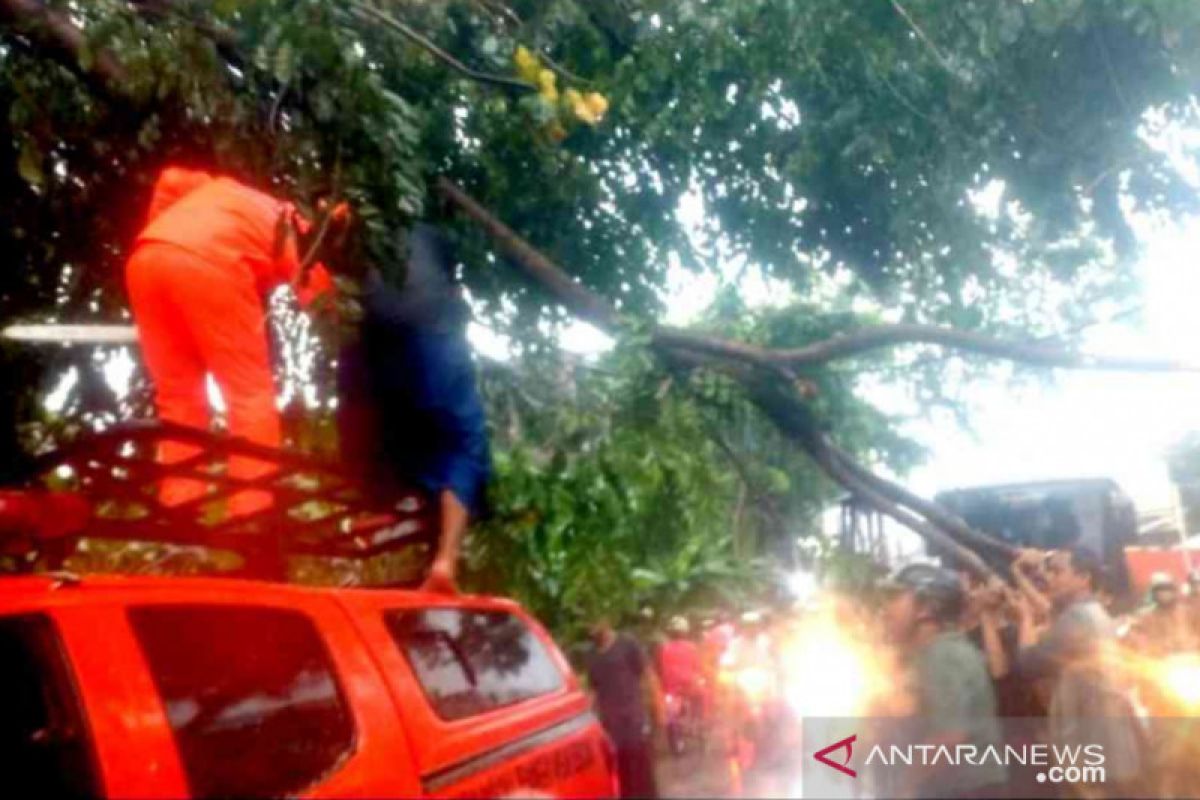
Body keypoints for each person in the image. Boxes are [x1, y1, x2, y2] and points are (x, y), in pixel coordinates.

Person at [126, 165, 339, 515]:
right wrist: (343, 321)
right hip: (210, 263)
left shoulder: (219, 195)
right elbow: (319, 295)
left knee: (178, 395)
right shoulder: (293, 225)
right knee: (249, 391)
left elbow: (169, 181)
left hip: (146, 256)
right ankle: (252, 508)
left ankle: (180, 504)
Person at [336, 224, 490, 593]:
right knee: (463, 445)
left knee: (374, 416)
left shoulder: (365, 232)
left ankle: (376, 500)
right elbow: (452, 286)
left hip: (374, 340)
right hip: (433, 331)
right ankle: (445, 560)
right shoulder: (433, 237)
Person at [1016, 547, 1145, 797]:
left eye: (1057, 571)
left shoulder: (1077, 620)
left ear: (1083, 577)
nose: (1049, 578)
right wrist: (1022, 576)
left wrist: (1025, 619)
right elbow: (1051, 612)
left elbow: (1027, 664)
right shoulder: (1091, 614)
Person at [880, 563, 1006, 799]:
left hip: (964, 790)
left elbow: (949, 737)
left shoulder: (940, 655)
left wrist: (904, 786)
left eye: (896, 599)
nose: (886, 610)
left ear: (926, 608)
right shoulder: (948, 649)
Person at [586, 619, 661, 799]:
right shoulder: (590, 655)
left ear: (606, 621)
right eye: (589, 625)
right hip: (611, 729)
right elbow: (592, 692)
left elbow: (649, 675)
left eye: (595, 622)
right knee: (622, 780)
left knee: (643, 776)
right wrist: (589, 720)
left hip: (634, 722)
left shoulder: (627, 643)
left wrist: (659, 707)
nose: (592, 628)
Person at [657, 616, 704, 755]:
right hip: (687, 686)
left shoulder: (665, 648)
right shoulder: (691, 647)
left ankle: (695, 722)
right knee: (700, 697)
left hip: (673, 688)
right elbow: (697, 667)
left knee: (671, 714)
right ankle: (697, 721)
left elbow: (661, 669)